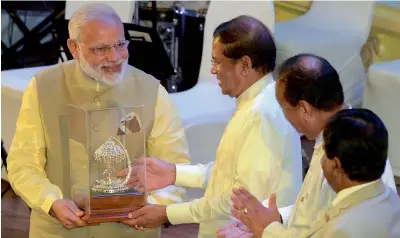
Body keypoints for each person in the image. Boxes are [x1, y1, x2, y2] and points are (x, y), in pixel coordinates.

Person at [6, 3, 190, 238]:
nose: (114, 57)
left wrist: (151, 207)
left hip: (129, 231)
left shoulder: (152, 92)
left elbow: (176, 167)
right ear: (73, 47)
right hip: (56, 230)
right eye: (100, 49)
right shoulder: (43, 87)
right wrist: (51, 203)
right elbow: (23, 163)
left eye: (121, 44)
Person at [124, 15, 303, 237]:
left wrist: (168, 213)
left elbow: (238, 199)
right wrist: (174, 173)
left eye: (218, 62)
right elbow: (228, 175)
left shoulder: (261, 113)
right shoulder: (256, 103)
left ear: (245, 64)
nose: (213, 70)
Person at [217, 53, 397, 238]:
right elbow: (319, 210)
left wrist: (266, 229)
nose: (284, 117)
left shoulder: (346, 158)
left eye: (284, 108)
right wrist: (276, 217)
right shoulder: (339, 136)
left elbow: (331, 228)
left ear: (304, 109)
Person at [230, 109, 400, 237]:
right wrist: (273, 224)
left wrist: (265, 231)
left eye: (323, 153)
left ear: (336, 166)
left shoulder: (345, 228)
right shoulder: (388, 197)